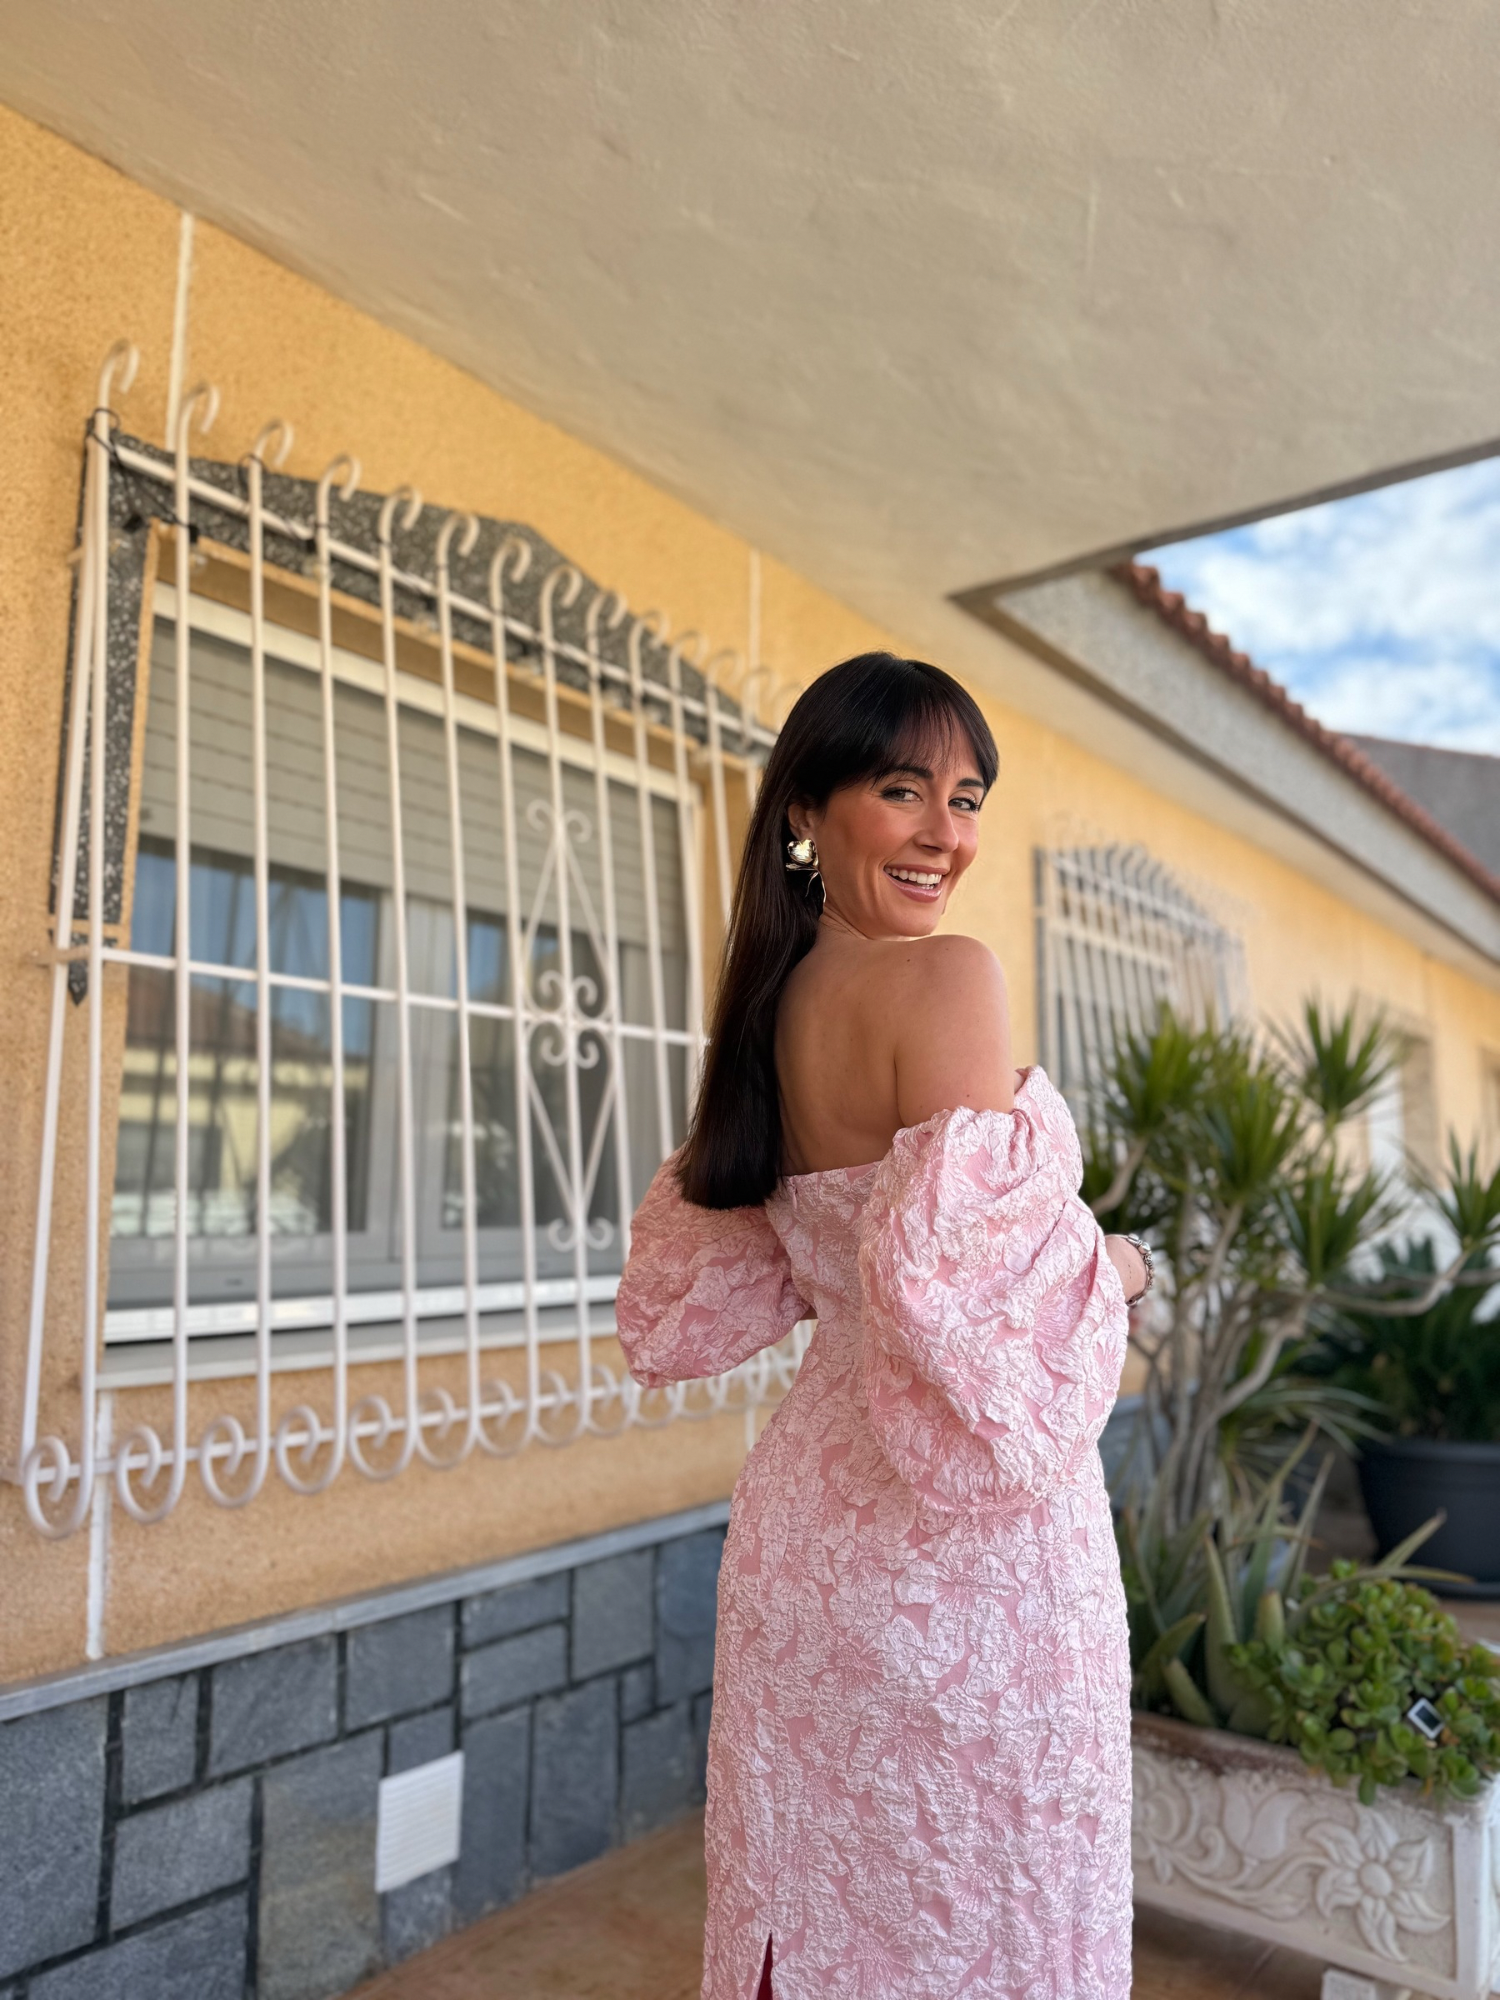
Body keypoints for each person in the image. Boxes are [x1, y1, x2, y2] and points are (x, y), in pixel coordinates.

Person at [615, 653, 1146, 2000]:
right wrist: (1125, 1268)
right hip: (962, 1557)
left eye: (965, 799)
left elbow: (818, 1273)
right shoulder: (947, 980)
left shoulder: (767, 1015)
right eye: (904, 790)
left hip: (810, 1540)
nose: (945, 835)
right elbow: (981, 1322)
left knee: (815, 1911)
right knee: (989, 1912)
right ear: (805, 809)